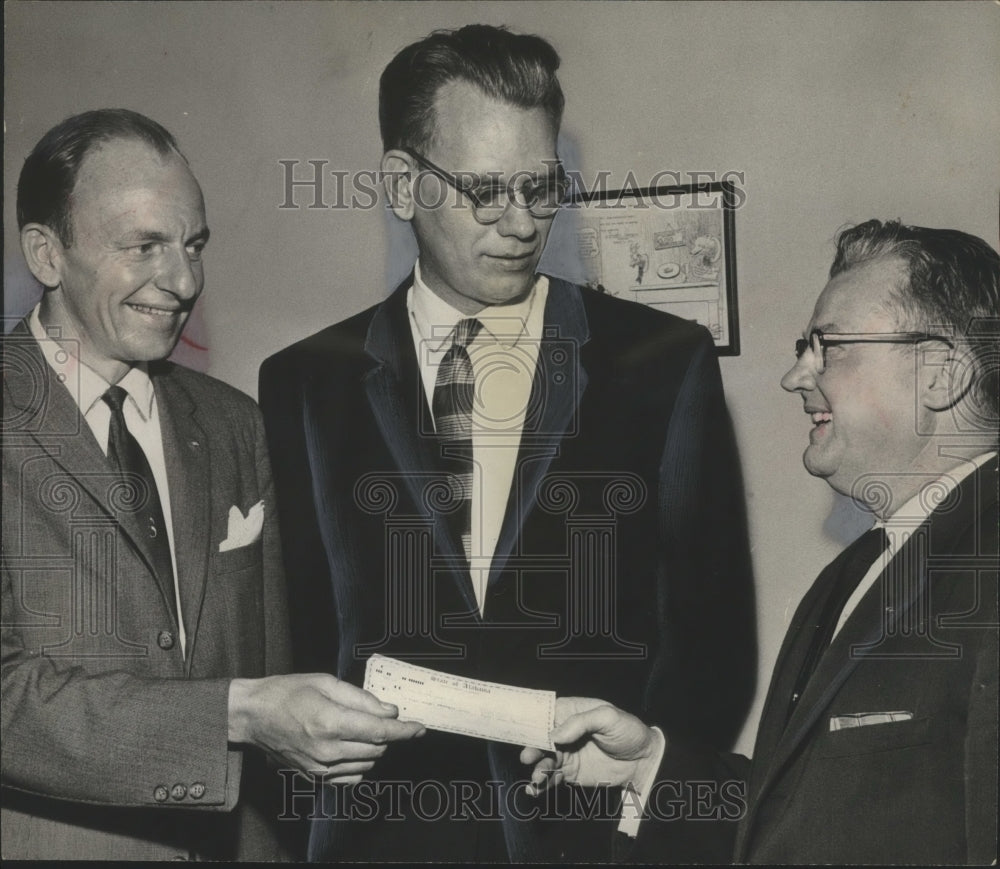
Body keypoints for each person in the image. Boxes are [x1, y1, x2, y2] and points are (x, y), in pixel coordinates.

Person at [259, 24, 755, 862]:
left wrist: (638, 809)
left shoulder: (662, 362)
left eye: (542, 185)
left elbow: (713, 638)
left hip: (594, 841)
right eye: (486, 191)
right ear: (401, 182)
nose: (522, 222)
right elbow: (297, 636)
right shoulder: (305, 381)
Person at [1, 109, 424, 862]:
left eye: (193, 245)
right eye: (145, 247)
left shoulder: (234, 424)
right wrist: (239, 713)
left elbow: (274, 663)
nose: (185, 280)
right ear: (46, 253)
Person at [521, 220, 999, 865]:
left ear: (943, 375)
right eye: (805, 347)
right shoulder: (854, 572)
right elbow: (801, 815)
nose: (795, 376)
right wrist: (649, 766)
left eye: (830, 347)